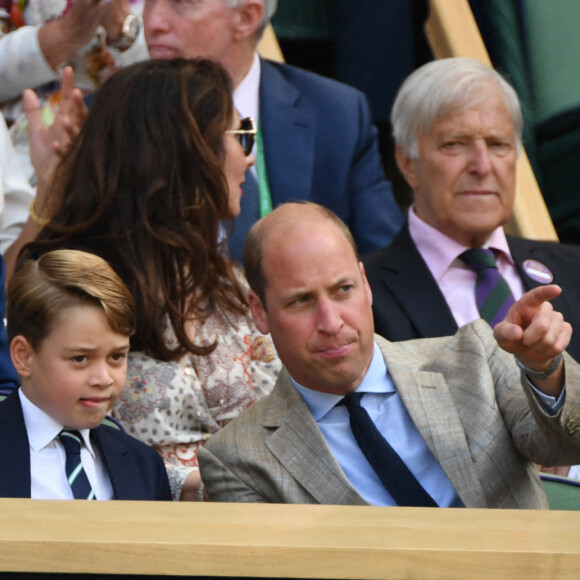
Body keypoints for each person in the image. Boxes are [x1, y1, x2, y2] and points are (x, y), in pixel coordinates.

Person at [197, 202, 580, 508]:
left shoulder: (472, 357)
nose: (331, 322)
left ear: (366, 284)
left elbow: (567, 445)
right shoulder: (237, 460)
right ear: (259, 310)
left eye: (343, 289)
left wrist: (545, 368)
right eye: (301, 301)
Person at [19, 58, 280, 501]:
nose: (249, 153)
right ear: (186, 151)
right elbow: (56, 442)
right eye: (240, 136)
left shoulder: (229, 282)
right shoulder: (80, 288)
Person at [142, 0, 404, 260]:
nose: (153, 22)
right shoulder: (109, 116)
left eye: (182, 4)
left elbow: (382, 262)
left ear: (246, 17)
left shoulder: (336, 113)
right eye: (148, 2)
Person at [362, 58, 580, 362]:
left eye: (497, 144)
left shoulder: (574, 270)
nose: (482, 166)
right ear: (407, 162)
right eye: (454, 144)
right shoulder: (361, 297)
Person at [1, 248, 172, 500]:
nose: (103, 379)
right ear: (23, 356)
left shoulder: (143, 464)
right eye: (80, 359)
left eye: (116, 356)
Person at [0, 0, 148, 183]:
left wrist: (123, 31)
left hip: (117, 164)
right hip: (13, 163)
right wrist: (66, 33)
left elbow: (171, 90)